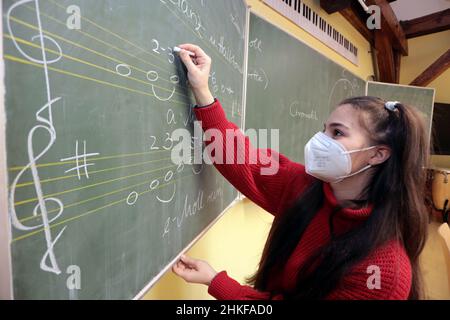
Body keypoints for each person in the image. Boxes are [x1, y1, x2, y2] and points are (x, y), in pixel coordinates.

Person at [172, 44, 430, 300]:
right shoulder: (305, 186)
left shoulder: (383, 272)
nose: (320, 140)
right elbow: (242, 160)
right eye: (324, 129)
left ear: (377, 154)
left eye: (337, 133)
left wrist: (219, 284)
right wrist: (202, 91)